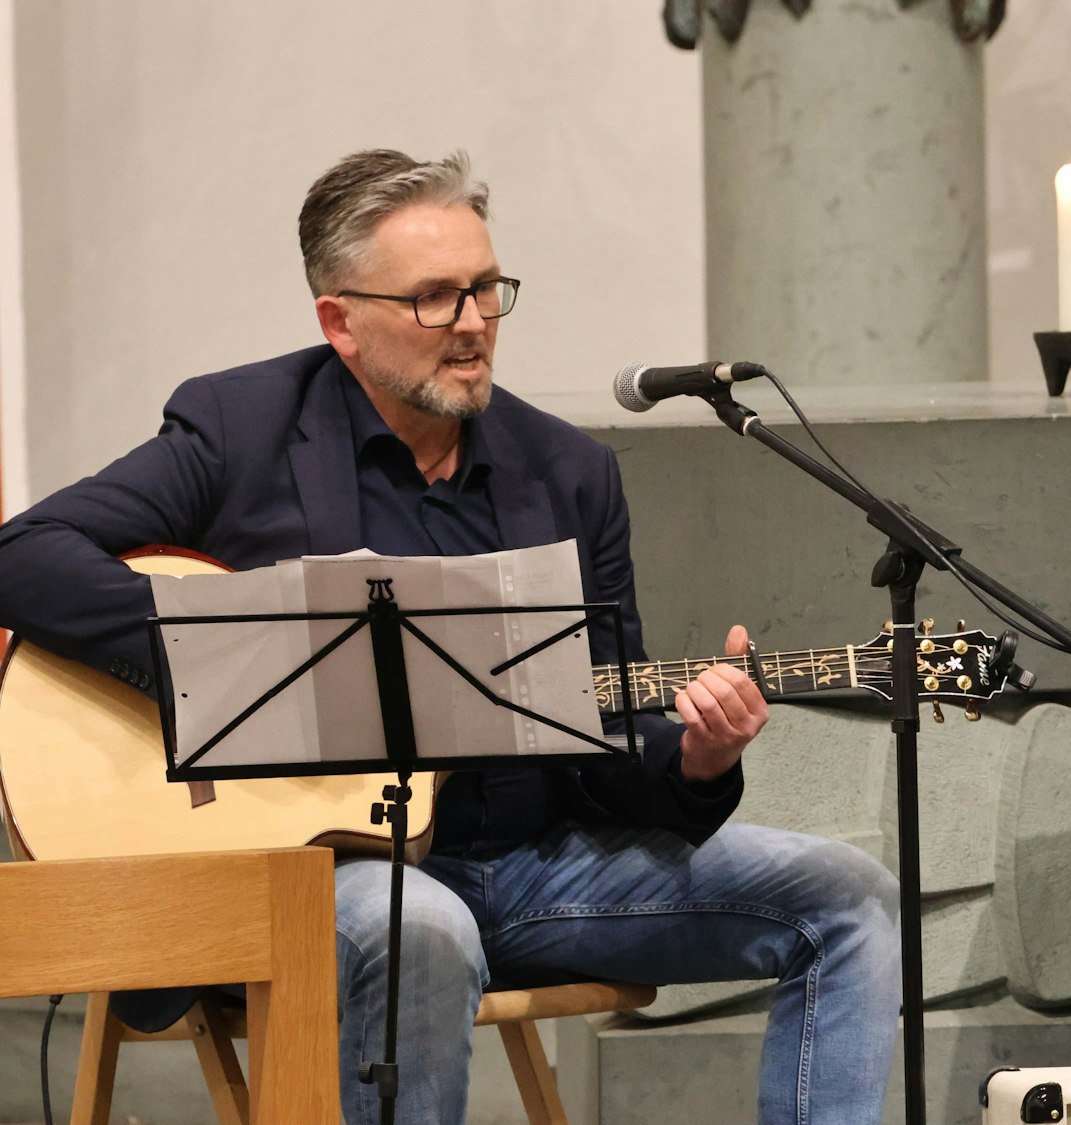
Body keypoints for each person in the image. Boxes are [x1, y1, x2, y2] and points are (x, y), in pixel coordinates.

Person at [0, 150, 901, 1124]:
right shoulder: (242, 428)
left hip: (531, 866)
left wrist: (693, 755)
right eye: (434, 299)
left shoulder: (566, 474)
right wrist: (227, 659)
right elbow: (26, 553)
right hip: (320, 873)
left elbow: (597, 743)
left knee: (846, 896)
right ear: (340, 321)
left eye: (484, 290)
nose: (472, 324)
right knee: (421, 928)